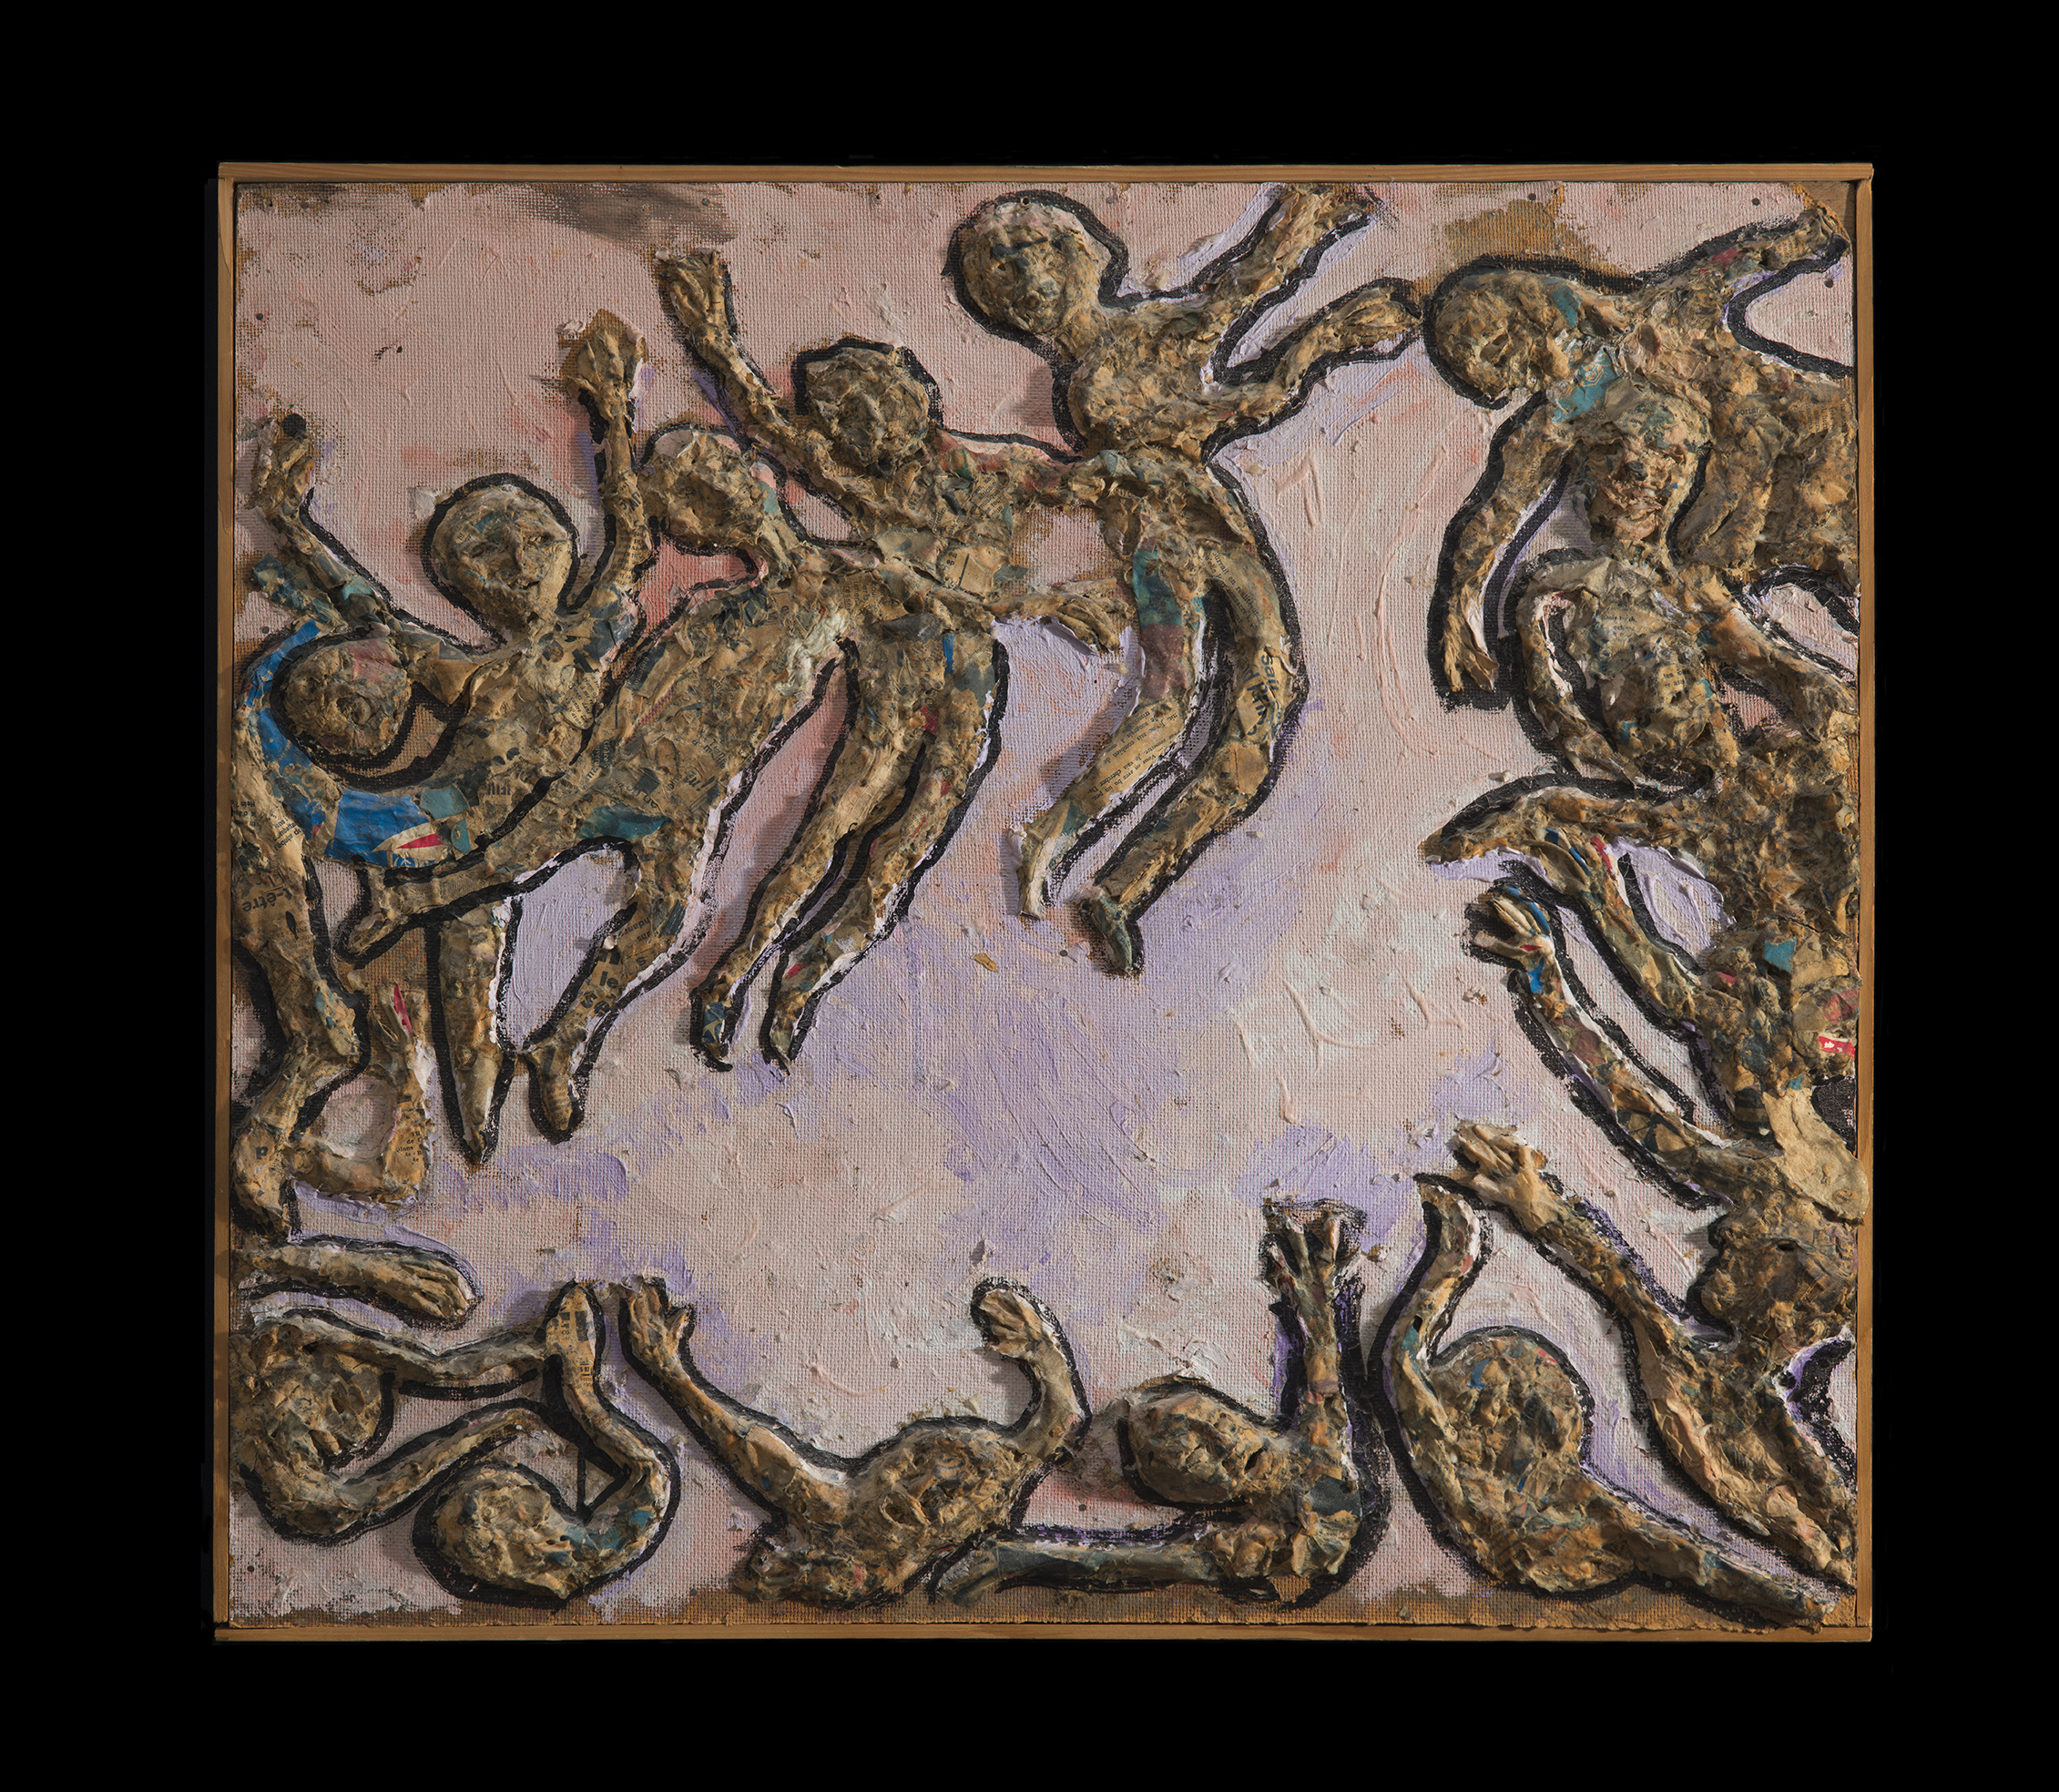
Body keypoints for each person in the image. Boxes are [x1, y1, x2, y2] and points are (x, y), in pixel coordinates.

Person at [342, 424, 1015, 1125]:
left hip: (697, 797)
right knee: (507, 859)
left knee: (664, 922)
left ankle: (563, 1042)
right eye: (695, 494)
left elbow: (925, 619)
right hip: (615, 769)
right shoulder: (715, 604)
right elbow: (641, 634)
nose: (713, 504)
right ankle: (406, 904)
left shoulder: (839, 592)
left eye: (720, 479)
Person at [231, 314, 655, 1257]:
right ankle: (378, 1131)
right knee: (409, 1008)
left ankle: (412, 1141)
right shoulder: (467, 672)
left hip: (485, 854)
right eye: (485, 554)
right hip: (421, 830)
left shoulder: (593, 632)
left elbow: (629, 539)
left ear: (563, 541)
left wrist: (612, 414)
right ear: (463, 590)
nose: (517, 562)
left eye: (531, 536)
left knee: (466, 1033)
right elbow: (367, 605)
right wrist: (291, 522)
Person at [950, 186, 1419, 971]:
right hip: (1165, 541)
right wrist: (1323, 337)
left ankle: (1122, 886)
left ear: (1074, 254)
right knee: (1171, 702)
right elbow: (1230, 407)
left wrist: (1306, 226)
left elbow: (1240, 291)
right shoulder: (1092, 383)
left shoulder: (1151, 328)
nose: (1023, 281)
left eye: (1028, 255)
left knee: (1262, 706)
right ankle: (1054, 836)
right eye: (1000, 274)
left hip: (1213, 527)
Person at [1426, 203, 1851, 693]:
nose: (1514, 365)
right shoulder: (1557, 420)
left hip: (1810, 446)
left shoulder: (1658, 316)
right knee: (1659, 574)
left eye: (1502, 341)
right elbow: (1496, 513)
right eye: (1497, 365)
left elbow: (1740, 261)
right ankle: (1797, 679)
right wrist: (1457, 605)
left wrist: (1805, 238)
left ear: (1523, 303)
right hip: (1744, 533)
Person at [1388, 1176, 1830, 1624]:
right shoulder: (1530, 1500)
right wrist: (1453, 1257)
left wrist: (1454, 1258)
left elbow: (1406, 1356)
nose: (1498, 1407)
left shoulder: (1532, 1479)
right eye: (1503, 1403)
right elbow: (1405, 1361)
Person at [943, 1198, 1369, 1604]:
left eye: (1247, 1468)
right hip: (1137, 1425)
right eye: (1257, 1451)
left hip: (1120, 1455)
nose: (1227, 1438)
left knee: (1072, 1444)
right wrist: (1316, 1290)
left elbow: (1144, 1561)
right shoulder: (1322, 1451)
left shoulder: (1269, 1542)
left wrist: (1019, 1557)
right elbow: (1323, 1368)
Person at [622, 1277, 1086, 1606]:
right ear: (888, 1456)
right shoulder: (841, 1511)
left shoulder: (863, 1557)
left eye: (945, 1497)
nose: (917, 1492)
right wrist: (1039, 1347)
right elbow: (750, 1448)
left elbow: (756, 1456)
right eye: (915, 1465)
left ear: (957, 1538)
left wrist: (670, 1372)